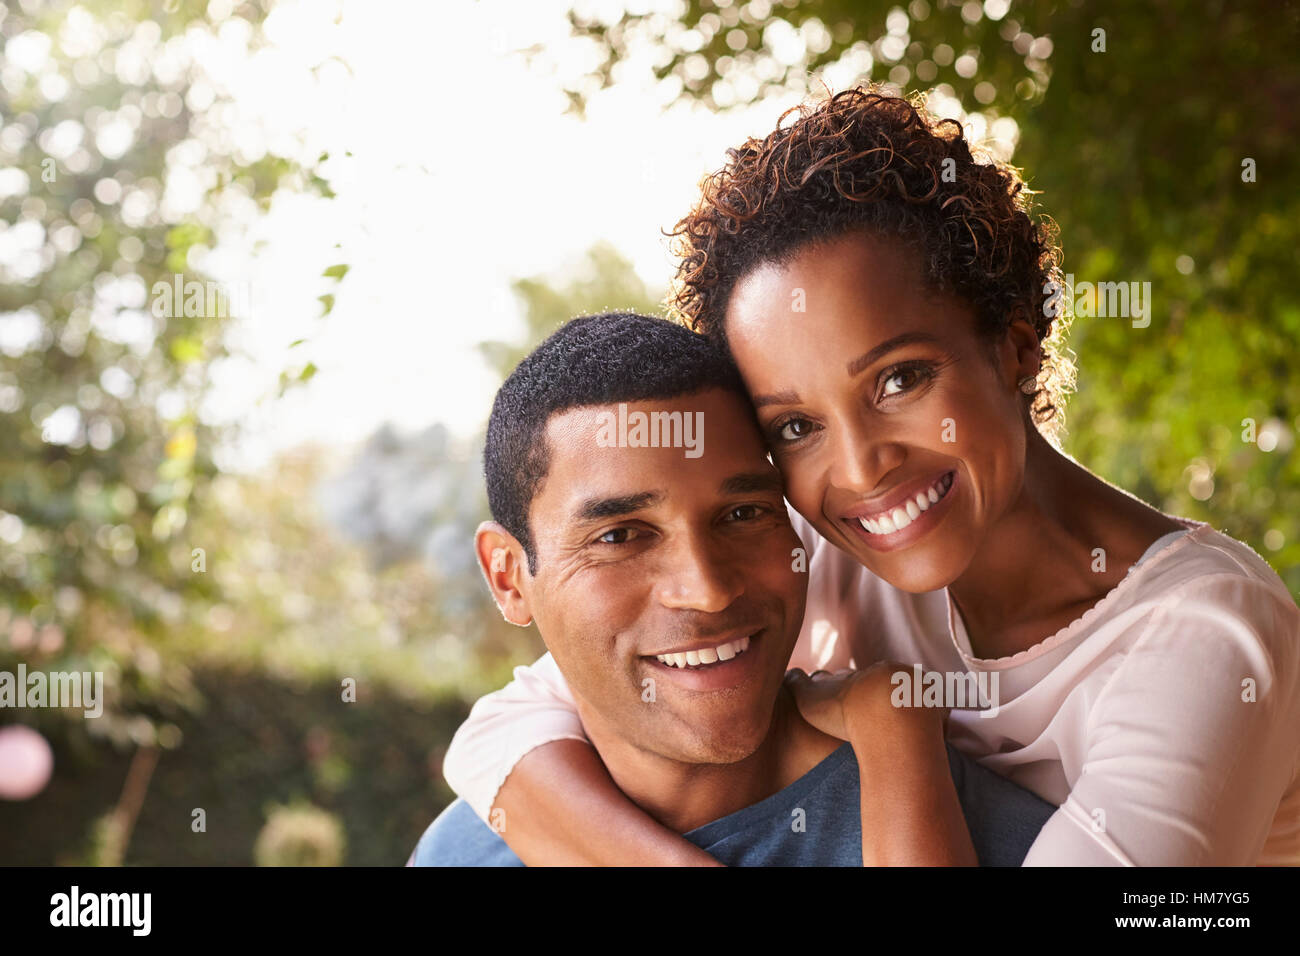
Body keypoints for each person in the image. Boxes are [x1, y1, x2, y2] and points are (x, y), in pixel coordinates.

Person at [440, 88, 1300, 866]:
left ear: (1014, 346)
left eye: (899, 380)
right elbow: (510, 725)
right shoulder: (832, 540)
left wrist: (895, 730)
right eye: (797, 426)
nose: (858, 470)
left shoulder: (1203, 637)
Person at [410, 312, 1054, 866]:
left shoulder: (994, 840)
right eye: (620, 536)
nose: (708, 589)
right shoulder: (464, 848)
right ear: (507, 576)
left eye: (744, 514)